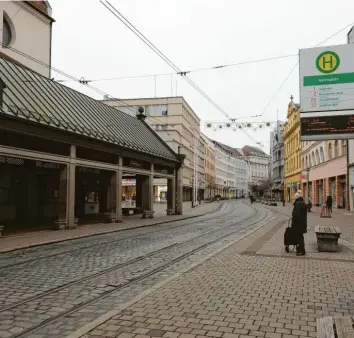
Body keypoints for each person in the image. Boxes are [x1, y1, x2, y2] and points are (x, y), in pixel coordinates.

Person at [292, 191, 307, 256]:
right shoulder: (303, 203)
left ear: (296, 198)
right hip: (302, 223)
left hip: (297, 224)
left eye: (295, 198)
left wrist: (293, 213)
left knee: (298, 237)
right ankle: (302, 250)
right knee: (301, 236)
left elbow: (296, 214)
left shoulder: (298, 204)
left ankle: (300, 251)